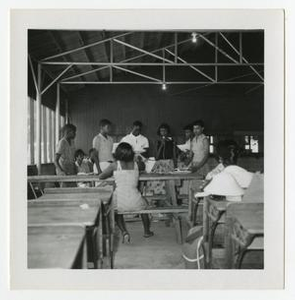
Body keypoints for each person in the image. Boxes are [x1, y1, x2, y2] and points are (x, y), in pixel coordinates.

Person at [98, 142, 153, 242]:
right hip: (135, 200)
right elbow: (144, 166)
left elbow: (101, 176)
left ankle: (124, 231)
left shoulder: (115, 165)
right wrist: (139, 158)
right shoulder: (137, 164)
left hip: (119, 200)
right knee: (145, 206)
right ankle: (146, 231)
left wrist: (112, 174)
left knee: (115, 211)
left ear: (117, 153)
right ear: (132, 153)